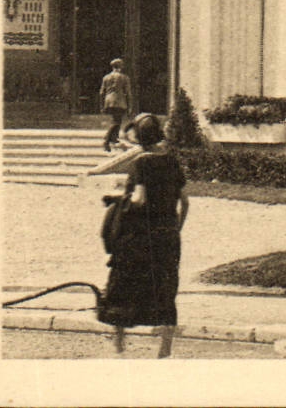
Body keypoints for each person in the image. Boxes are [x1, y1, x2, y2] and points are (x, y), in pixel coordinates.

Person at [99, 113, 187, 357]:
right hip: (167, 234)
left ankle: (118, 344)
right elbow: (185, 202)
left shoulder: (141, 164)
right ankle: (165, 347)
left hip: (140, 236)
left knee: (123, 283)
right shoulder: (171, 161)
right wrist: (175, 227)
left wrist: (118, 201)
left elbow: (139, 199)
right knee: (165, 287)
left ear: (139, 139)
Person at [99, 58, 135, 152]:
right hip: (119, 101)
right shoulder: (124, 77)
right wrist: (130, 105)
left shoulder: (106, 77)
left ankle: (114, 138)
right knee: (117, 121)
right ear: (120, 67)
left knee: (116, 120)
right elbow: (128, 92)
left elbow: (102, 92)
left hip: (108, 100)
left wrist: (102, 105)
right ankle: (106, 140)